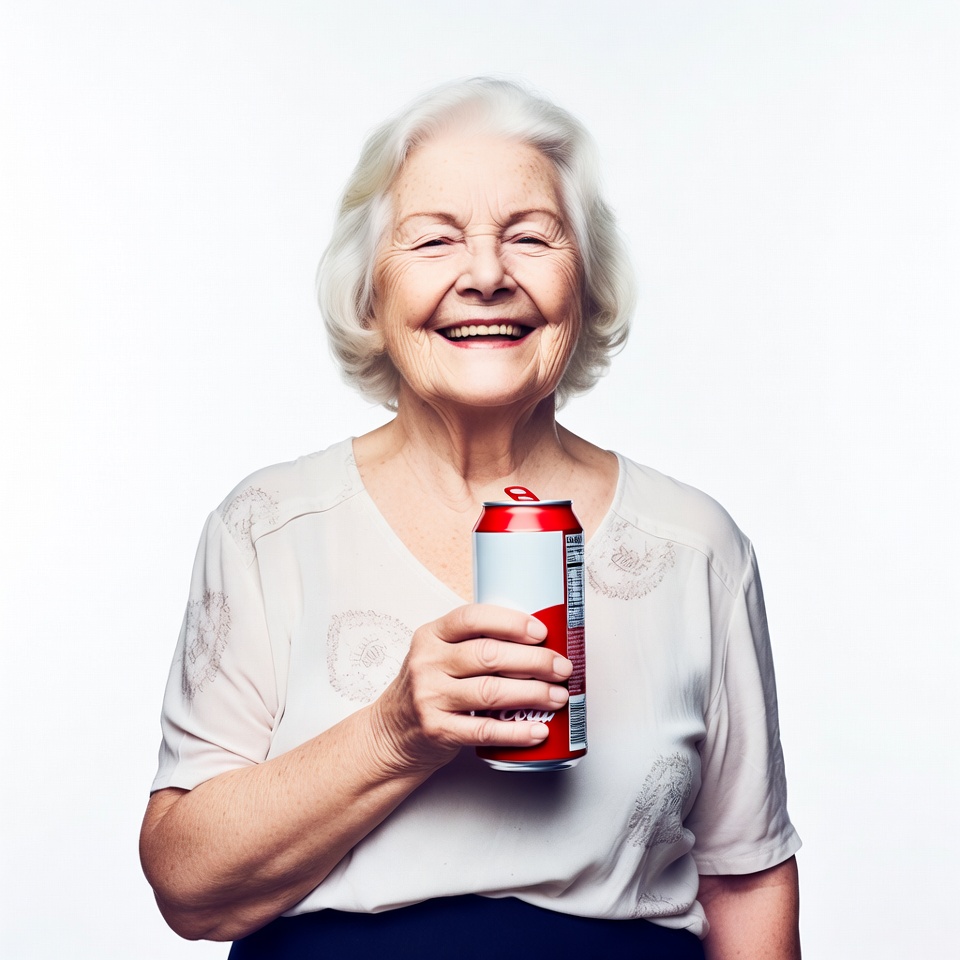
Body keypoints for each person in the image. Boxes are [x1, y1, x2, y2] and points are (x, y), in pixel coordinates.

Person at [140, 78, 801, 959]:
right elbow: (189, 891)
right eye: (435, 239)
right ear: (371, 291)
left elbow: (746, 880)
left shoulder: (696, 549)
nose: (486, 276)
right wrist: (395, 734)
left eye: (530, 237)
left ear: (586, 280)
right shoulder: (270, 527)